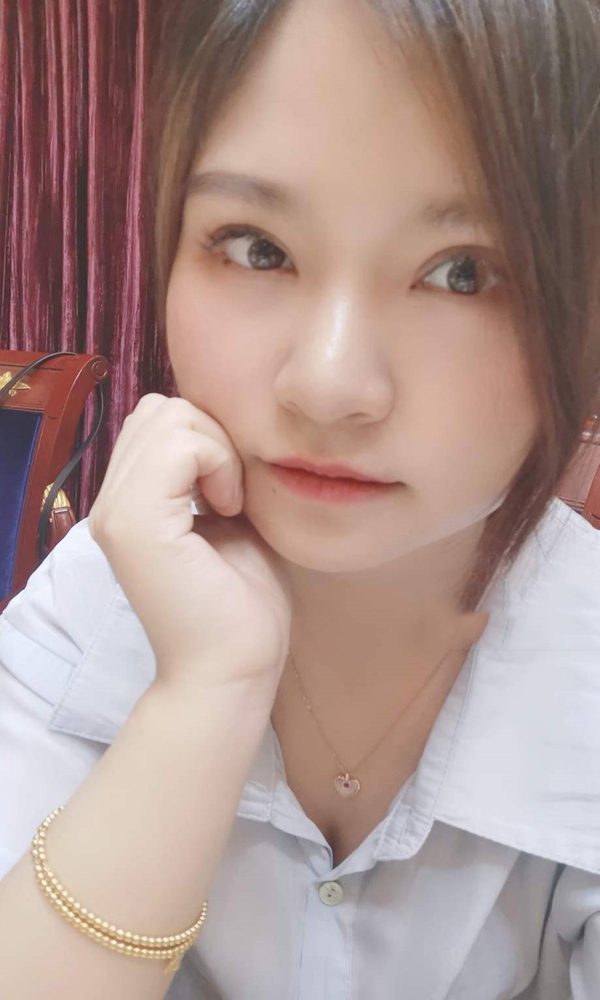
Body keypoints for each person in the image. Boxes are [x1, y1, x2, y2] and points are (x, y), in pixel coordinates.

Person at [1, 0, 600, 996]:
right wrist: (204, 694)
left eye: (463, 273)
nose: (327, 385)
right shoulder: (97, 602)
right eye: (256, 247)